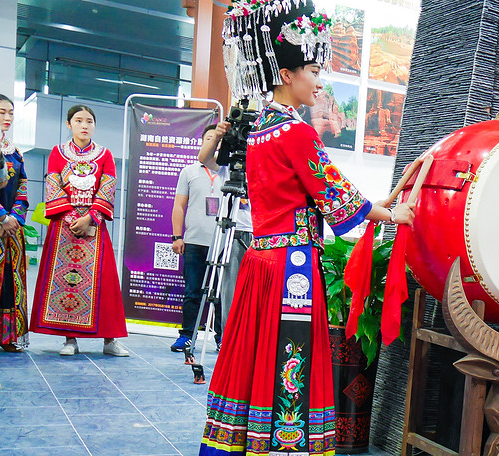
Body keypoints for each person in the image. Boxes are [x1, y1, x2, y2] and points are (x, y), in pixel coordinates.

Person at [200, 2, 414, 454]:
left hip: (262, 261)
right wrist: (393, 215)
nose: (320, 81)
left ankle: (242, 440)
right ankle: (283, 445)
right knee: (289, 363)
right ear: (285, 73)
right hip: (293, 265)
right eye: (314, 69)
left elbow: (325, 192)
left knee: (254, 356)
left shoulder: (259, 129)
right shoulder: (297, 133)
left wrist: (376, 204)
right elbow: (337, 196)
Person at [29, 105, 128, 357]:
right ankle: (70, 339)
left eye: (89, 121)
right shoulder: (57, 153)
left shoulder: (105, 155)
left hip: (94, 226)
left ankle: (110, 340)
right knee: (66, 284)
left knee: (104, 283)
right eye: (79, 120)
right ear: (68, 124)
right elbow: (53, 186)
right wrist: (75, 218)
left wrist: (90, 218)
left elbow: (108, 188)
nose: (84, 125)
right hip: (64, 227)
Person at [194, 120, 253, 350]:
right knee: (229, 293)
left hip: (262, 234)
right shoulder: (230, 162)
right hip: (233, 231)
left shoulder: (267, 161)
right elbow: (204, 158)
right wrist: (218, 136)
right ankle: (230, 343)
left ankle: (251, 345)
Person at [170, 129, 228, 352]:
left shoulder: (229, 172)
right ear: (203, 143)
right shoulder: (189, 171)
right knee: (193, 291)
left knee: (222, 294)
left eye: (218, 140)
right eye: (209, 139)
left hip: (224, 243)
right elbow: (179, 205)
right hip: (195, 242)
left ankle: (222, 338)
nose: (214, 144)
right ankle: (187, 336)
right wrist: (177, 236)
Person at [0, 90, 26, 355]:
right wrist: (0, 216)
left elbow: (22, 184)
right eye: (2, 112)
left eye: (11, 112)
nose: (8, 117)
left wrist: (16, 218)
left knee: (11, 282)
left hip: (13, 228)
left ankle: (7, 336)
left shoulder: (14, 151)